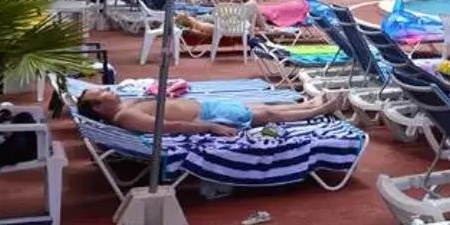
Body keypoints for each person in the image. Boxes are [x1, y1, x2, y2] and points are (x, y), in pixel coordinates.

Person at [72, 85, 345, 135]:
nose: (111, 91)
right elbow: (169, 127)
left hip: (204, 106)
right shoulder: (125, 116)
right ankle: (316, 112)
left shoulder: (125, 104)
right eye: (104, 92)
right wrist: (211, 127)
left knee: (258, 106)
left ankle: (309, 104)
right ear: (98, 108)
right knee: (267, 116)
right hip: (206, 116)